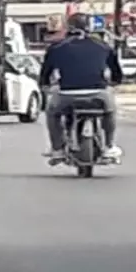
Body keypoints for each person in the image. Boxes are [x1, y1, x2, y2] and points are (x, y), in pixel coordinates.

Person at [39, 13, 124, 164]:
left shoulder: (57, 48)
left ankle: (57, 149)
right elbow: (116, 72)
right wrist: (115, 82)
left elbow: (46, 72)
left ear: (67, 27)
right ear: (90, 27)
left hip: (66, 94)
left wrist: (45, 85)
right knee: (110, 111)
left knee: (52, 113)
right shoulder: (103, 46)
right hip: (98, 93)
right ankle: (109, 145)